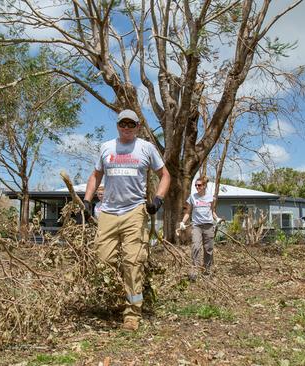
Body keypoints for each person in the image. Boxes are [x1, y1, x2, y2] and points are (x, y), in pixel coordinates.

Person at [83, 109, 171, 331]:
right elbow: (95, 175)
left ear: (138, 126)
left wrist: (158, 199)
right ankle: (114, 298)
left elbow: (165, 176)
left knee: (133, 263)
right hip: (109, 212)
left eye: (131, 124)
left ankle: (132, 314)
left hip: (134, 211)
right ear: (117, 125)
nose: (126, 128)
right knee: (103, 260)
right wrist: (87, 199)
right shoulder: (106, 148)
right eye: (123, 123)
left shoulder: (146, 148)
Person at [179, 177, 222, 281]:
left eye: (199, 185)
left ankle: (207, 271)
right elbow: (188, 212)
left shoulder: (210, 198)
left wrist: (217, 219)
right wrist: (182, 222)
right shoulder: (192, 197)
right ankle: (195, 271)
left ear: (204, 186)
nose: (197, 187)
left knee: (208, 249)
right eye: (196, 185)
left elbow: (212, 212)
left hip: (208, 226)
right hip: (197, 226)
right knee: (196, 247)